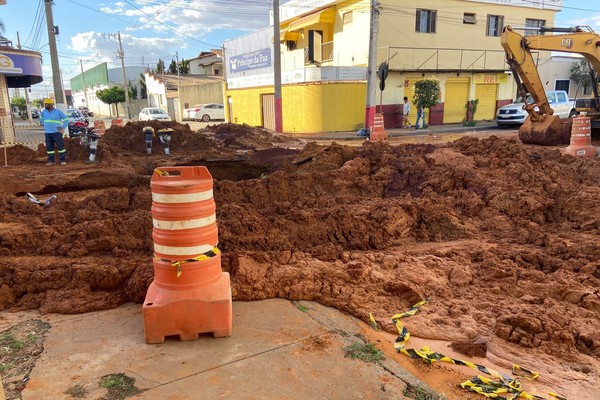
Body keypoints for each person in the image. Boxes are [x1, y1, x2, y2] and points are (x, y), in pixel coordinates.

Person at [39, 98, 69, 166]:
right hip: (48, 132)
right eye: (45, 104)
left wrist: (62, 128)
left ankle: (62, 160)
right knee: (49, 148)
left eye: (47, 104)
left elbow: (66, 119)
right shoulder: (44, 111)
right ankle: (51, 161)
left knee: (60, 147)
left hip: (57, 132)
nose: (45, 105)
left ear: (51, 105)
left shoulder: (58, 112)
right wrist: (43, 123)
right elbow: (41, 118)